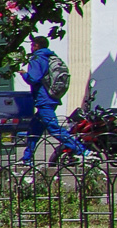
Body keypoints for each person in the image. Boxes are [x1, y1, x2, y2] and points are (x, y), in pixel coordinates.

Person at [20, 36, 89, 164]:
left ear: (36, 46)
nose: (31, 47)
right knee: (34, 130)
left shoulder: (37, 58)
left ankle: (81, 150)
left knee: (53, 128)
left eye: (32, 45)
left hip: (44, 100)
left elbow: (33, 78)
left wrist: (24, 73)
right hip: (51, 98)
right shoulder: (51, 57)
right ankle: (26, 158)